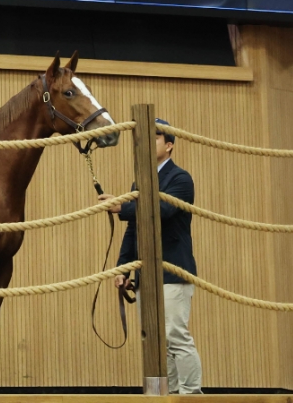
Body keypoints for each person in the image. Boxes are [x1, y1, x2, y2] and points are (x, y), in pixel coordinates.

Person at [99, 118, 203, 395]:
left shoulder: (181, 178)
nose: (148, 142)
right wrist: (124, 269)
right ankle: (166, 396)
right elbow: (135, 230)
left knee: (175, 336)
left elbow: (162, 212)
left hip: (173, 271)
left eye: (155, 138)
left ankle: (192, 395)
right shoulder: (141, 180)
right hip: (148, 273)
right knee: (157, 342)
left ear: (169, 145)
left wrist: (122, 206)